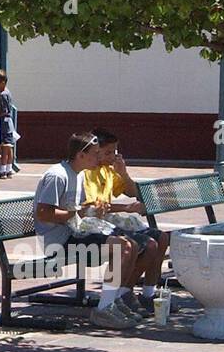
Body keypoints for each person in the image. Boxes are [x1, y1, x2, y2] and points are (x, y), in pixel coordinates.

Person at [33, 132, 155, 329]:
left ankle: (114, 301)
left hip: (75, 233)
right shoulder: (57, 176)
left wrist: (92, 210)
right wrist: (81, 212)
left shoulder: (78, 175)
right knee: (123, 247)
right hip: (59, 241)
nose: (99, 158)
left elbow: (79, 208)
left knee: (131, 244)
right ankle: (104, 309)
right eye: (95, 153)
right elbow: (43, 213)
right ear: (81, 155)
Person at [82, 128, 170, 315]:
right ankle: (121, 294)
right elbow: (95, 208)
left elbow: (132, 192)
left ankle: (146, 294)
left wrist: (123, 172)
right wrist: (126, 209)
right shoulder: (88, 174)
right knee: (143, 245)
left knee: (161, 238)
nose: (113, 156)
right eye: (108, 152)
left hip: (109, 222)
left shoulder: (108, 170)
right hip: (95, 225)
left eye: (115, 151)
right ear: (95, 152)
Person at [0, 70, 19, 175]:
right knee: (9, 146)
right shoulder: (8, 92)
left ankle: (3, 169)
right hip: (9, 122)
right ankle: (8, 168)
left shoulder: (3, 94)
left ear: (2, 82)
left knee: (4, 146)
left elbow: (4, 111)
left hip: (4, 122)